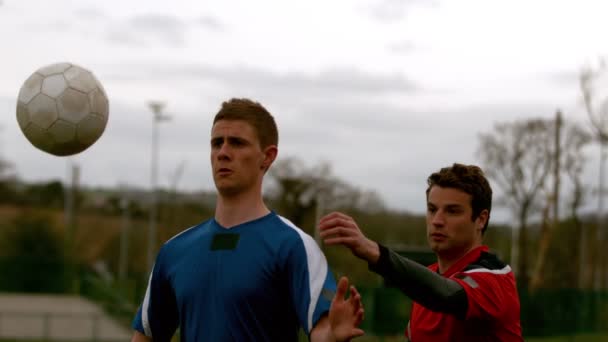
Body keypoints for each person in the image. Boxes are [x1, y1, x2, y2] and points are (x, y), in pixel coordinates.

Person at [131, 98, 364, 342]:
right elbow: (145, 337)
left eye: (237, 143)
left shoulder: (293, 246)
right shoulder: (174, 250)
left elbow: (323, 331)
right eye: (216, 143)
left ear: (267, 156)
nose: (223, 153)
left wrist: (333, 336)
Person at [319, 163, 523, 341]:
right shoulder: (425, 286)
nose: (437, 221)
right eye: (432, 209)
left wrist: (375, 252)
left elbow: (446, 295)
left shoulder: (495, 278)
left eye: (452, 211)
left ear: (481, 219)